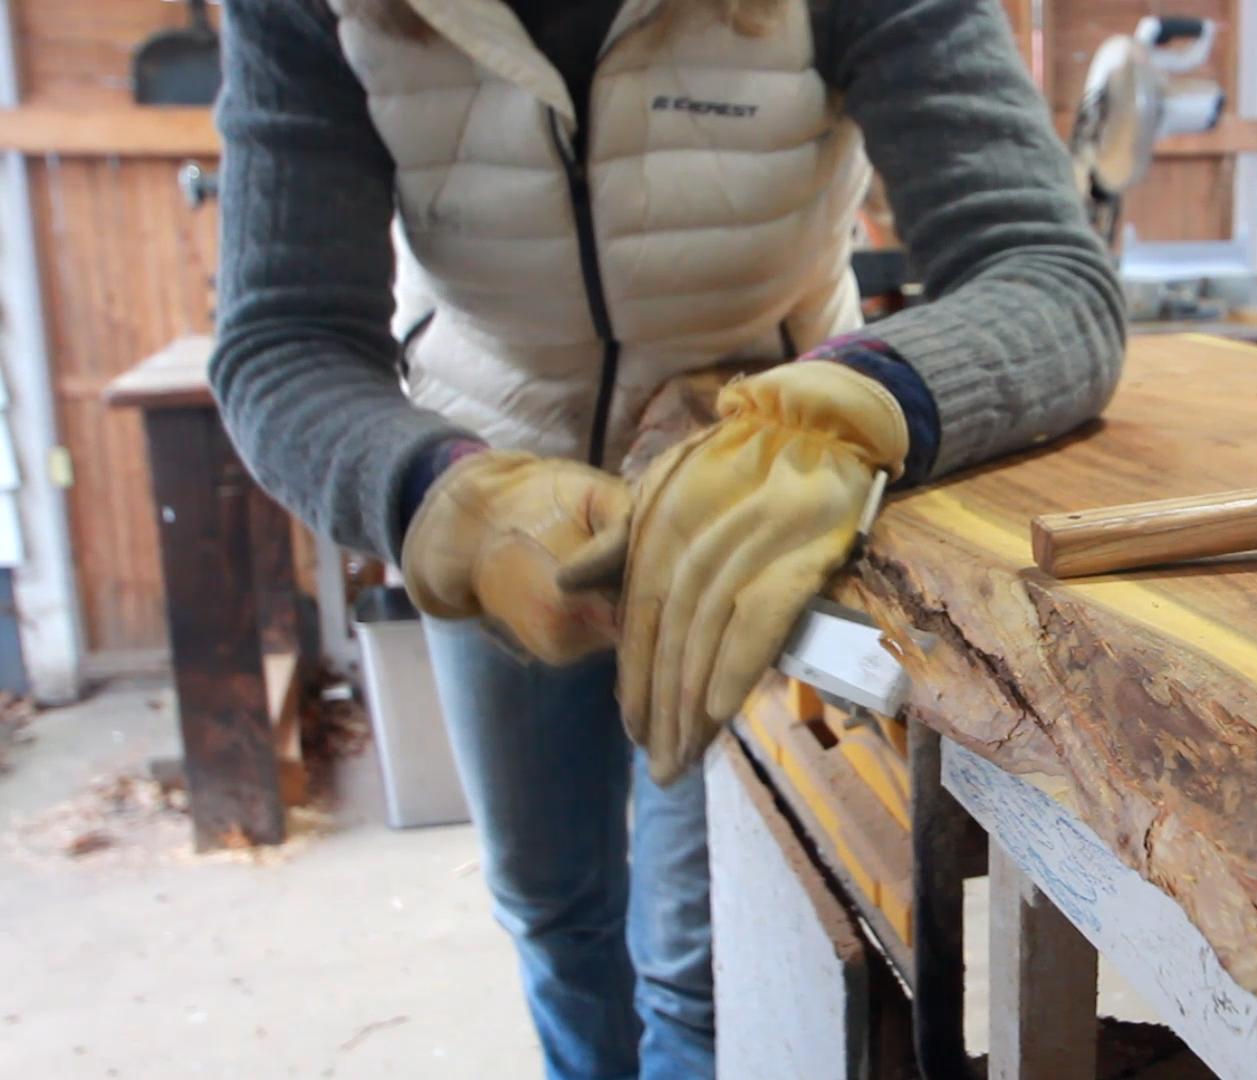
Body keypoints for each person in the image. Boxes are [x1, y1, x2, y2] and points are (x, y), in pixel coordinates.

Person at [210, 0, 1124, 1076]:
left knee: (704, 956)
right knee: (553, 909)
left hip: (749, 505)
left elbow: (1049, 275)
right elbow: (284, 336)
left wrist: (840, 410)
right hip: (488, 482)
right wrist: (434, 494)